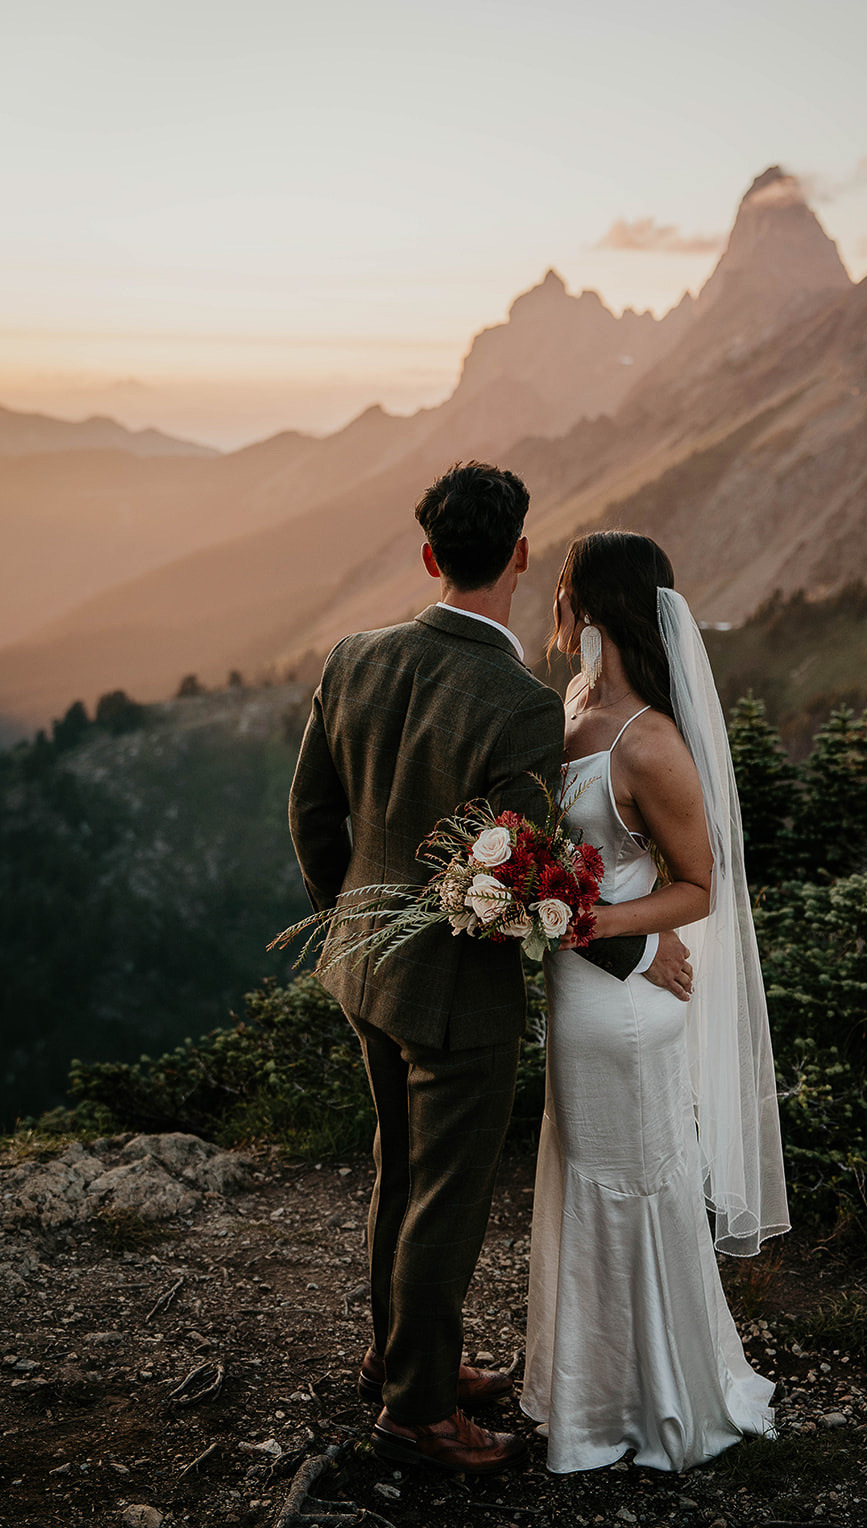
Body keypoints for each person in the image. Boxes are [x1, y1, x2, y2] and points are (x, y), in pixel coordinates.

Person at [288, 466, 691, 1475]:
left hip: (361, 971)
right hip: (457, 997)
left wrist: (358, 924)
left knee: (396, 1172)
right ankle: (419, 1412)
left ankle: (401, 1357)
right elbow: (523, 875)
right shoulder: (515, 703)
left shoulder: (352, 657)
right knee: (445, 1198)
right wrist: (639, 942)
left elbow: (312, 815)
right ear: (518, 553)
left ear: (428, 556)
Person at [521, 531, 790, 1474]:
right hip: (578, 985)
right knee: (587, 1176)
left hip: (624, 1002)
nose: (552, 612)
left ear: (590, 609)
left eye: (561, 594)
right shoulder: (578, 702)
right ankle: (593, 1395)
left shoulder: (654, 741)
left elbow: (700, 885)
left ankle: (661, 1404)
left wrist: (592, 923)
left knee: (630, 1189)